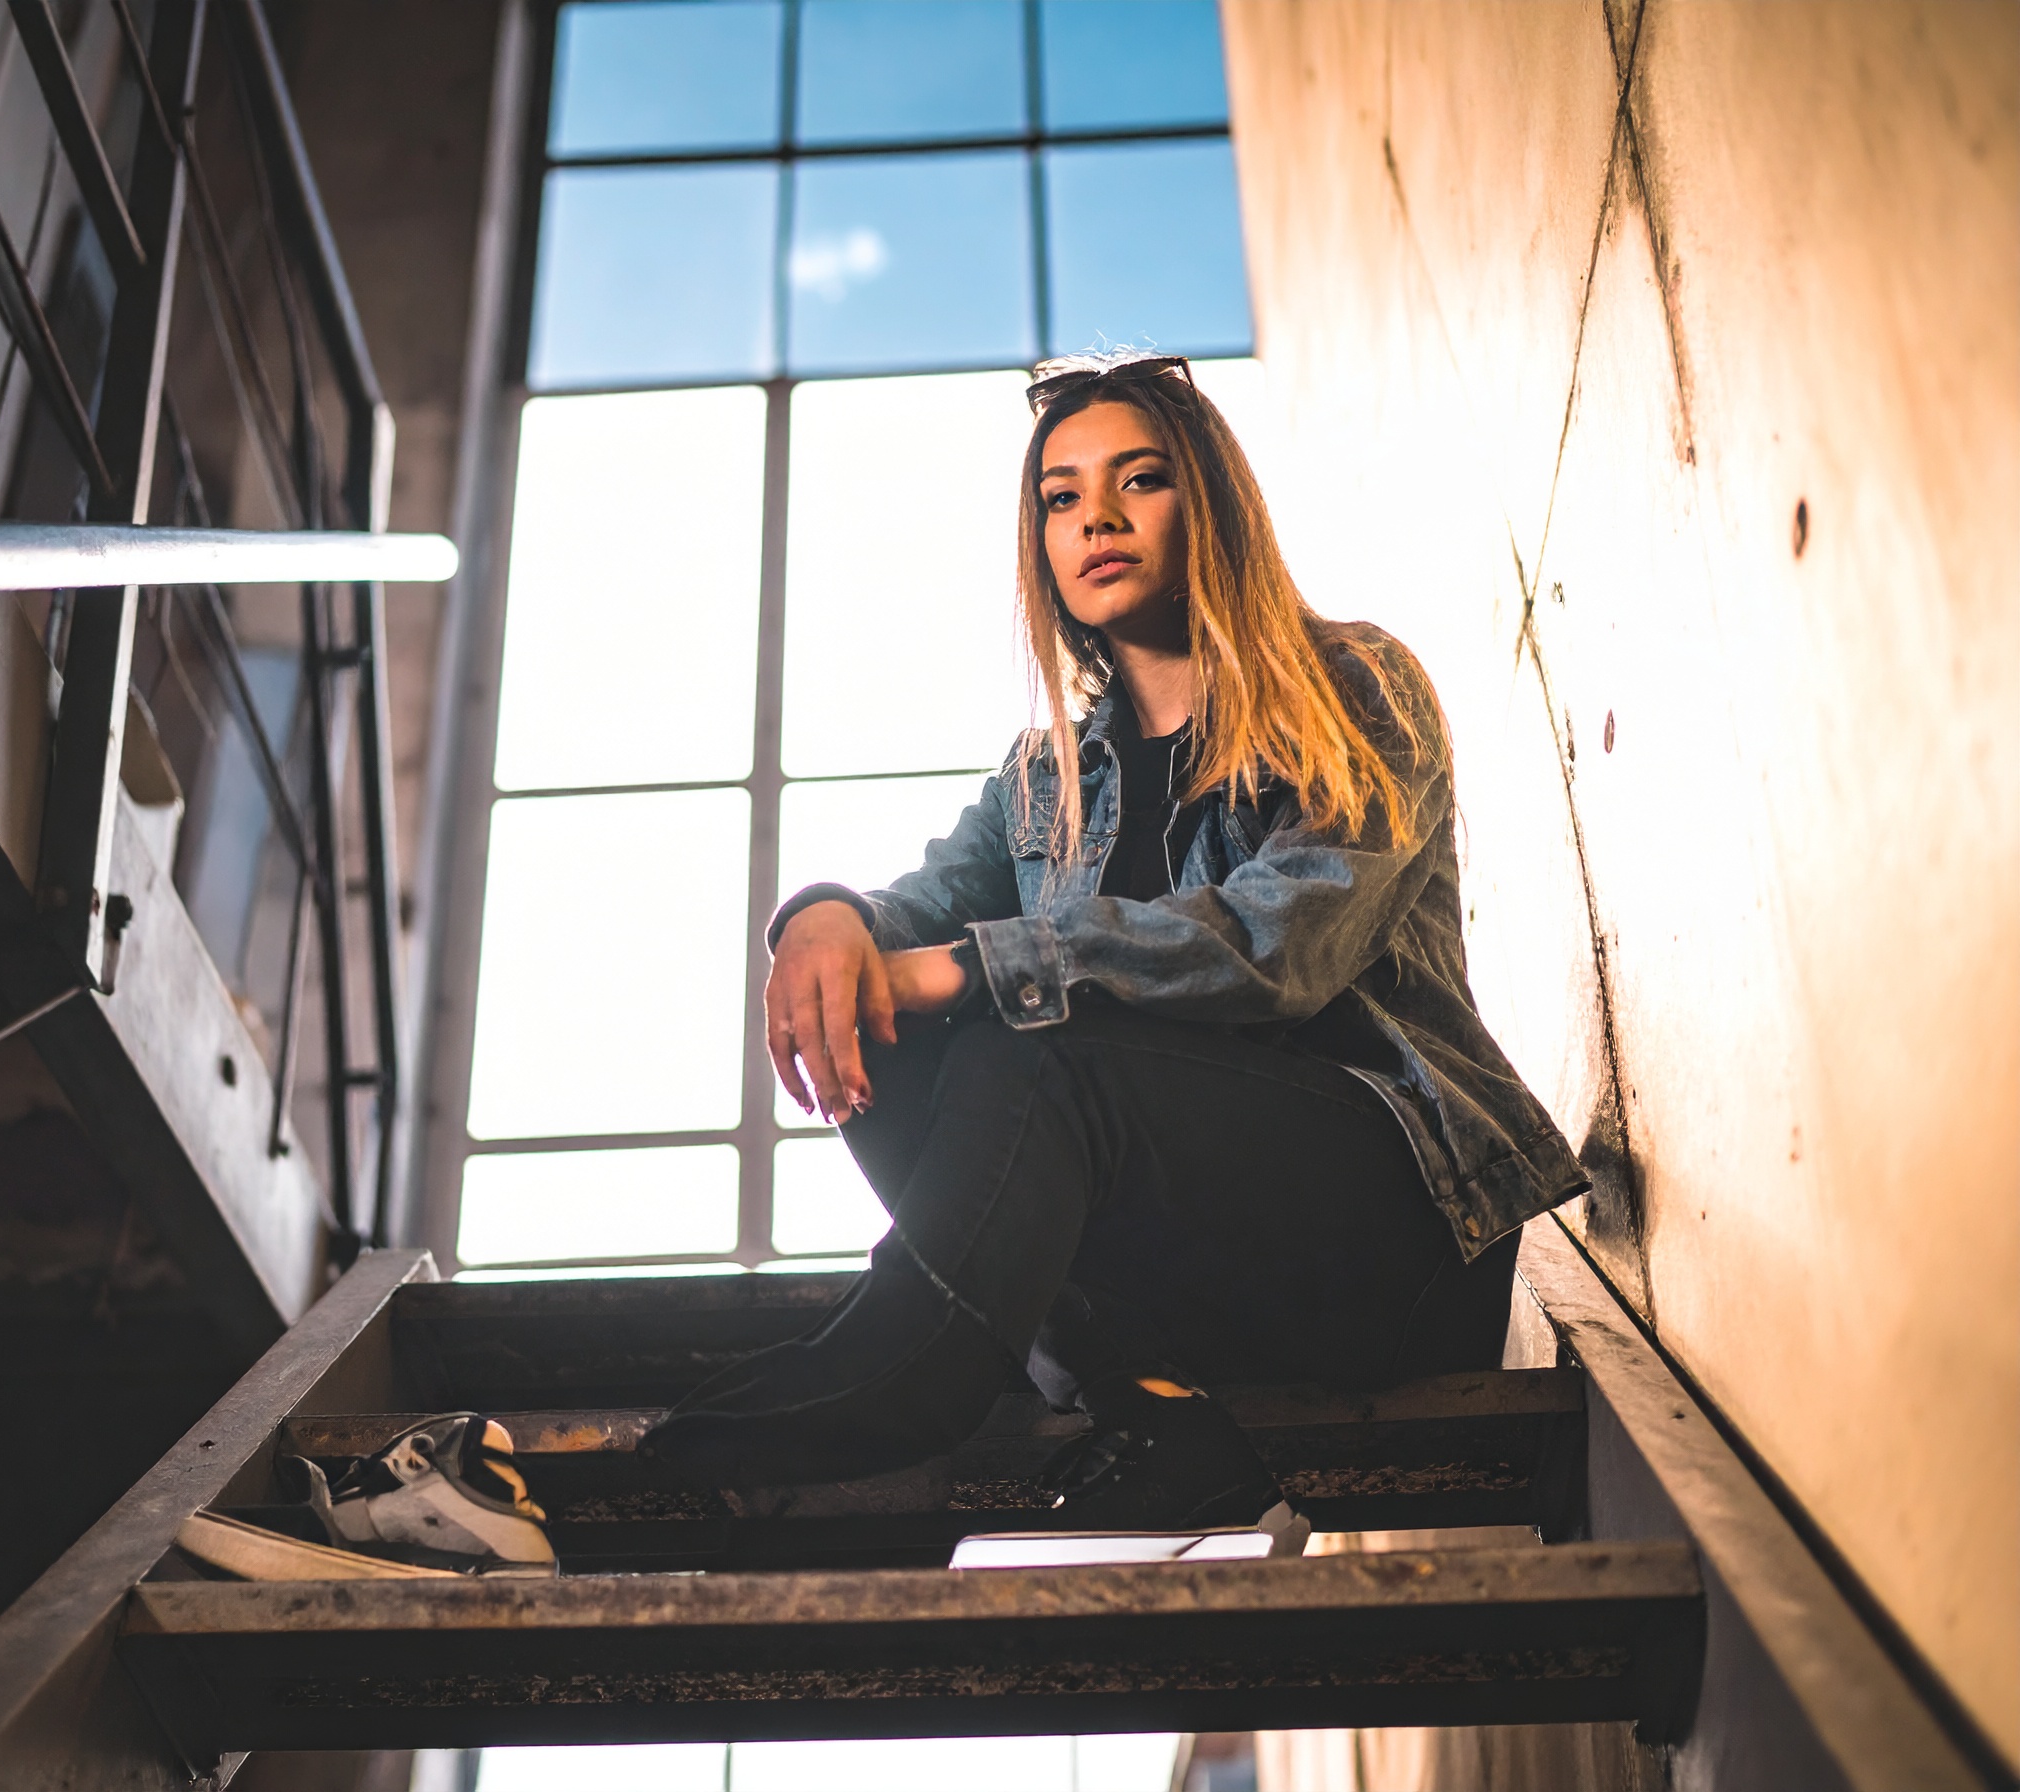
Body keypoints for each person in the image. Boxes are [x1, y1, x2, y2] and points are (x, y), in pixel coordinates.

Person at [640, 352, 1587, 1541]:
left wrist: (983, 968)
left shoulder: (1354, 685)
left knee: (1028, 1043)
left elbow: (1273, 948)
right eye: (1061, 495)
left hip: (1388, 1246)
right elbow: (914, 912)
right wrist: (822, 920)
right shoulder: (1043, 779)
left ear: (1210, 503)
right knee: (889, 1021)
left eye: (1140, 480)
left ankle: (893, 1380)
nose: (1095, 515)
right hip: (1187, 1293)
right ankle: (1143, 1405)